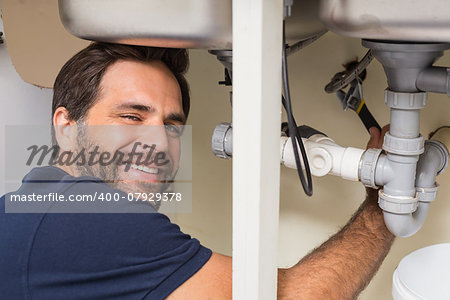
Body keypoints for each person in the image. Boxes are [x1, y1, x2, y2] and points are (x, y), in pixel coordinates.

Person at [0, 42, 394, 299]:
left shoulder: (28, 208)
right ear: (67, 128)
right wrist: (381, 211)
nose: (158, 144)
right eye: (131, 116)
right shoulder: (92, 217)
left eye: (171, 125)